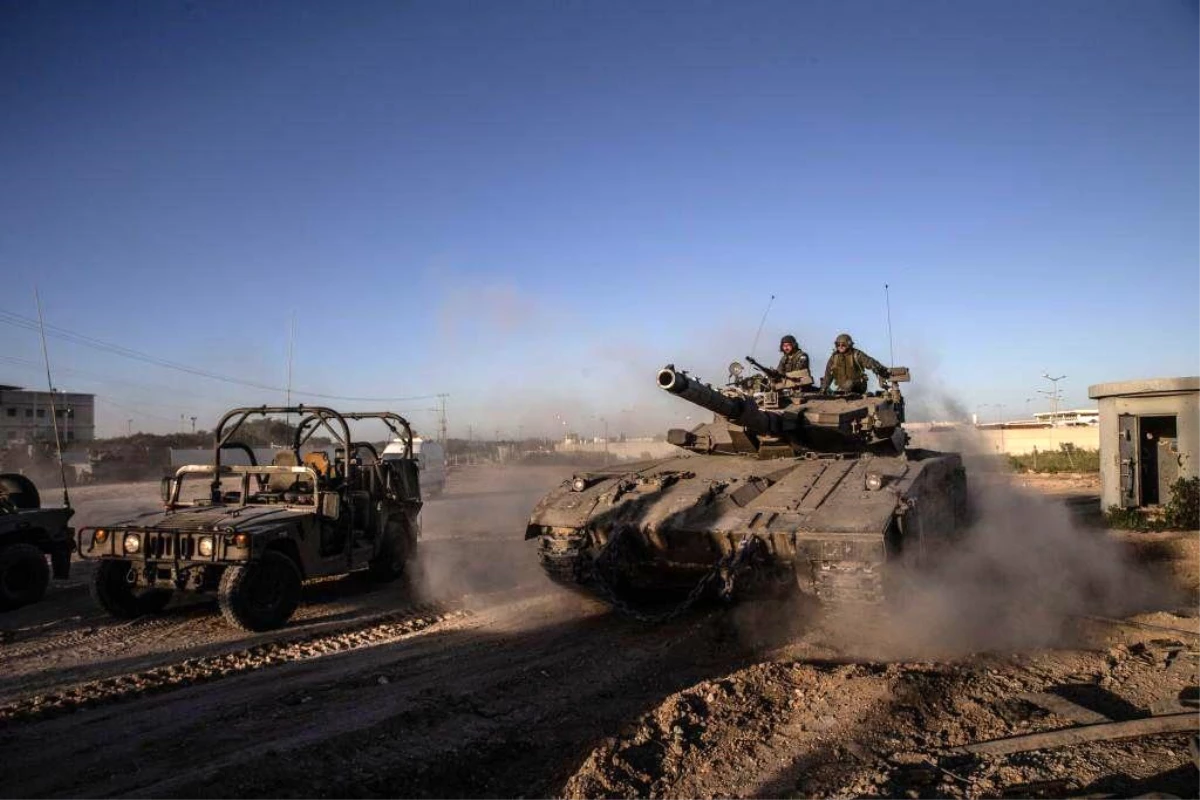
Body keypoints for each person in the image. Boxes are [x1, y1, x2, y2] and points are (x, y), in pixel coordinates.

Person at [820, 333, 890, 394]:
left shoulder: (856, 355)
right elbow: (828, 374)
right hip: (843, 388)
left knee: (849, 384)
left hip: (859, 386)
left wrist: (883, 371)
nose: (840, 347)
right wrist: (824, 388)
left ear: (849, 344)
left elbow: (871, 363)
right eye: (838, 344)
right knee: (842, 386)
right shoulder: (834, 357)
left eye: (843, 345)